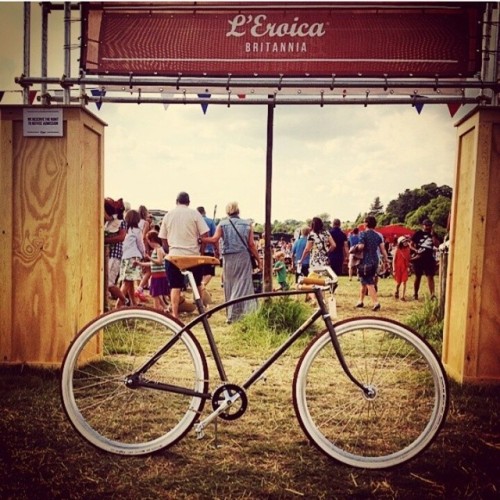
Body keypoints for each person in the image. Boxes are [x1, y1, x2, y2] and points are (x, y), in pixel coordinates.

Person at [202, 201, 260, 323]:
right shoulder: (247, 224)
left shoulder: (222, 224)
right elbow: (251, 244)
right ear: (238, 210)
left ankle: (232, 314)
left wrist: (200, 239)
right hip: (243, 256)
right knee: (244, 283)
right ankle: (247, 312)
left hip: (228, 258)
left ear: (227, 211)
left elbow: (214, 239)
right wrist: (259, 260)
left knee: (230, 284)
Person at [159, 192, 209, 318]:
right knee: (197, 284)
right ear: (189, 202)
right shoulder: (195, 214)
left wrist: (168, 250)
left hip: (174, 255)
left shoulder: (168, 215)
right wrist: (201, 251)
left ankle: (175, 314)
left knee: (175, 286)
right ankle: (200, 310)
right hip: (192, 255)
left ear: (176, 201)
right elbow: (205, 236)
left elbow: (163, 238)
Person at [355, 215, 389, 311]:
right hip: (375, 259)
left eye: (364, 222)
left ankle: (375, 302)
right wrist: (386, 260)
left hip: (365, 260)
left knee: (369, 282)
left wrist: (354, 248)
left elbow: (361, 246)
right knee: (363, 281)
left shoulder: (363, 234)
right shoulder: (378, 235)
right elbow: (383, 249)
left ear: (366, 223)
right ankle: (360, 301)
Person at [134, 230, 170, 312]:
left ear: (151, 240)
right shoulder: (156, 250)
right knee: (155, 293)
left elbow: (159, 261)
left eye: (148, 241)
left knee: (155, 294)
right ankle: (164, 308)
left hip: (159, 276)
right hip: (156, 275)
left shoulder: (159, 249)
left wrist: (149, 257)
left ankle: (157, 309)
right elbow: (152, 264)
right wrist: (140, 263)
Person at [104, 197, 128, 307]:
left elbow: (121, 237)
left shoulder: (122, 222)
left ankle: (125, 301)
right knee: (106, 283)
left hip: (115, 256)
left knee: (109, 283)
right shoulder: (109, 222)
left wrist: (105, 240)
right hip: (108, 255)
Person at [119, 209, 145, 306]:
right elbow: (140, 244)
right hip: (133, 257)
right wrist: (144, 254)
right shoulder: (137, 231)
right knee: (127, 283)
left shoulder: (124, 230)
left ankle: (133, 303)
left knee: (129, 281)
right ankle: (118, 305)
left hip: (124, 257)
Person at [410, 219, 441, 300]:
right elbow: (411, 244)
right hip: (419, 258)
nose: (427, 227)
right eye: (426, 225)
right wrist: (415, 250)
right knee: (418, 276)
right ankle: (415, 293)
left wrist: (433, 234)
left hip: (429, 258)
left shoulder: (433, 234)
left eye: (429, 225)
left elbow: (437, 245)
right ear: (422, 225)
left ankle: (432, 295)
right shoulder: (418, 233)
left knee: (430, 276)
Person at [197, 206, 218, 289]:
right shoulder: (210, 222)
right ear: (204, 212)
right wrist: (217, 250)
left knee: (201, 273)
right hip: (208, 251)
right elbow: (215, 238)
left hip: (197, 252)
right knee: (209, 273)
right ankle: (202, 286)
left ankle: (201, 287)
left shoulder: (195, 221)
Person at [136, 205, 152, 301]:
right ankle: (140, 288)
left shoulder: (136, 222)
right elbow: (144, 236)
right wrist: (146, 250)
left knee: (140, 270)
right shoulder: (145, 223)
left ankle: (139, 288)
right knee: (148, 270)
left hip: (135, 248)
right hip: (143, 248)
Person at [393, 236, 411, 301]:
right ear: (400, 242)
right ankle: (396, 290)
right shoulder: (397, 249)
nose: (405, 242)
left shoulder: (408, 249)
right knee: (398, 283)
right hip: (398, 268)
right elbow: (394, 260)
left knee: (404, 282)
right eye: (404, 241)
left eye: (406, 241)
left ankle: (402, 296)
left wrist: (408, 267)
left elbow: (408, 259)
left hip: (405, 267)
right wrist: (394, 269)